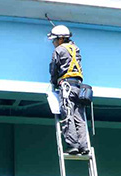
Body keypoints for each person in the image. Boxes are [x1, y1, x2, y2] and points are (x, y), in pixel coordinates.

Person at [48, 25, 89, 155]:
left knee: (67, 115)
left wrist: (54, 82)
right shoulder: (75, 48)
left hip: (66, 87)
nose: (53, 43)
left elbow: (54, 70)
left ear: (60, 39)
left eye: (54, 40)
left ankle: (72, 145)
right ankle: (84, 146)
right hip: (79, 87)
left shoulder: (59, 50)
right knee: (79, 118)